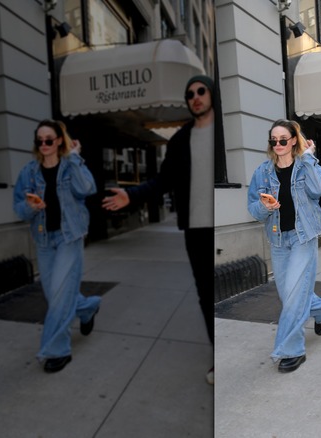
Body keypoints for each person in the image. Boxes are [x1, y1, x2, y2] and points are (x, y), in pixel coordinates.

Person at [102, 75, 216, 384]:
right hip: (196, 229)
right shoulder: (180, 139)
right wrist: (132, 195)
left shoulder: (228, 132)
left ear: (211, 94)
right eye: (190, 93)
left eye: (201, 91)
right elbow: (162, 181)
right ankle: (218, 355)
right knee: (206, 294)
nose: (195, 97)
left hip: (225, 223)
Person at [13, 119, 100, 373]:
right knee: (56, 296)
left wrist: (74, 158)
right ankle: (88, 306)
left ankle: (56, 350)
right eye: (39, 141)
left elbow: (88, 188)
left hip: (69, 237)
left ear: (59, 140)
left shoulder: (69, 165)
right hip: (43, 240)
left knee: (60, 296)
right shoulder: (28, 172)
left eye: (49, 140)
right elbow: (19, 208)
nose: (44, 145)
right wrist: (30, 207)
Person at [247, 119, 321, 373]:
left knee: (295, 295)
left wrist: (308, 158)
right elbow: (253, 209)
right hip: (278, 239)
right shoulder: (262, 172)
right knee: (291, 296)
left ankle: (291, 350)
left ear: (293, 140)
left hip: (303, 237)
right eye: (273, 140)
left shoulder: (304, 166)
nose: (278, 145)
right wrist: (265, 206)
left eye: (283, 140)